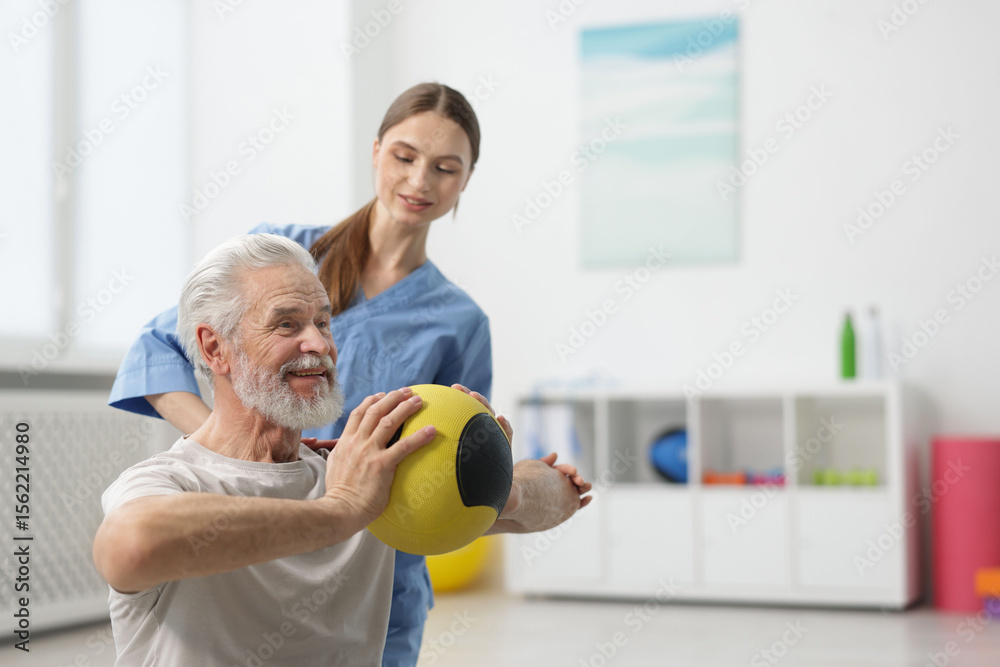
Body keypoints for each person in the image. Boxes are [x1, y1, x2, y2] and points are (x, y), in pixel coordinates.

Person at [108, 82, 592, 666]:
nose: (419, 181)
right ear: (376, 152)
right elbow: (157, 349)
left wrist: (480, 469)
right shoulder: (283, 257)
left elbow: (467, 476)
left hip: (382, 551)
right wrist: (250, 453)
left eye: (444, 167)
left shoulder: (460, 322)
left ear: (465, 180)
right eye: (405, 157)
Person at [95, 233, 438, 665]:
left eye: (324, 323)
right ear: (215, 349)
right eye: (287, 324)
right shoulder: (169, 481)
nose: (319, 345)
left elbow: (531, 498)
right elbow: (130, 545)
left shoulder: (358, 473)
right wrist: (341, 511)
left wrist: (485, 456)